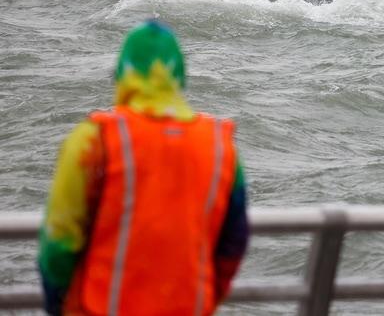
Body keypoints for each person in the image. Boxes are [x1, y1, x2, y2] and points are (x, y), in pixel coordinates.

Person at [37, 21, 249, 315]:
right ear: (180, 76)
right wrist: (207, 298)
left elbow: (59, 242)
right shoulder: (221, 146)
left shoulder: (94, 140)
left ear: (123, 75)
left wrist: (57, 305)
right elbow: (234, 242)